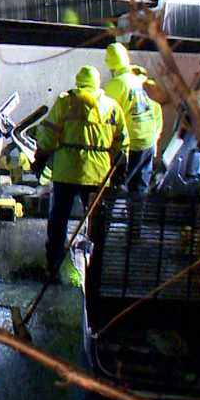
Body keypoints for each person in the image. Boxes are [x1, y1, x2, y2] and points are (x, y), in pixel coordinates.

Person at [35, 65, 129, 279]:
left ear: (78, 81)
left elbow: (48, 135)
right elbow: (122, 141)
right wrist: (119, 167)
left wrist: (41, 155)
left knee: (59, 217)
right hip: (98, 174)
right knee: (97, 219)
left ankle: (54, 261)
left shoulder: (66, 102)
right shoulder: (113, 107)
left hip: (67, 172)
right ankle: (98, 264)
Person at [103, 42, 163, 194]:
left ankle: (115, 217)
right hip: (148, 139)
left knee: (118, 188)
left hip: (132, 142)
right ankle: (137, 217)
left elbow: (105, 116)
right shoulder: (136, 80)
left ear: (110, 64)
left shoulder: (116, 84)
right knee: (140, 190)